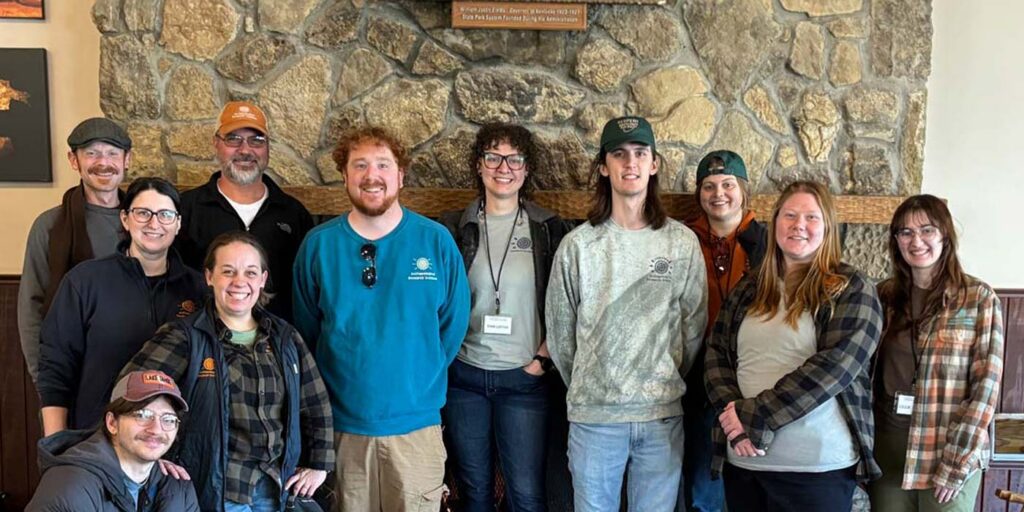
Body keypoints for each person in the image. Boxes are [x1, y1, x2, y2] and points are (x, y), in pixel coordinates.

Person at [293, 126, 471, 512]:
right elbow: (307, 331)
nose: (371, 176)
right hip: (341, 431)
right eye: (360, 165)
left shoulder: (435, 241)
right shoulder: (318, 246)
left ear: (400, 175)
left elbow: (452, 327)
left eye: (382, 165)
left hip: (417, 431)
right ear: (344, 175)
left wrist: (416, 373)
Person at [545, 116, 707, 512]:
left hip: (661, 417)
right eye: (618, 154)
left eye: (639, 153)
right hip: (594, 419)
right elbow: (562, 335)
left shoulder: (681, 243)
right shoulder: (577, 246)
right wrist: (595, 383)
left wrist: (659, 376)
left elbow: (693, 325)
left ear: (654, 164)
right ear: (604, 166)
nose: (629, 163)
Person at [121, 232, 334, 511]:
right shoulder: (185, 337)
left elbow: (315, 404)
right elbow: (129, 391)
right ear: (209, 276)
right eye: (228, 271)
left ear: (263, 279)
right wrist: (154, 451)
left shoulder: (285, 338)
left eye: (250, 272)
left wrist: (320, 465)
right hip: (217, 490)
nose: (239, 282)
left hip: (278, 488)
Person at [704, 180, 883, 512]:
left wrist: (755, 416)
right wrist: (735, 421)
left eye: (811, 217)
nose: (799, 225)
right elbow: (717, 355)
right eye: (789, 215)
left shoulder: (852, 289)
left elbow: (833, 368)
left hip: (816, 469)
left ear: (827, 227)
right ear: (774, 225)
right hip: (745, 466)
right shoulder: (750, 288)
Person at [439, 123, 572, 512]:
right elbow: (438, 302)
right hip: (464, 378)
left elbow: (566, 303)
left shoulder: (547, 228)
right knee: (474, 491)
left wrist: (542, 359)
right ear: (478, 166)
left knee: (526, 496)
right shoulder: (453, 228)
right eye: (493, 157)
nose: (504, 167)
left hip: (524, 379)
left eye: (515, 158)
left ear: (526, 169)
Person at [37, 177, 206, 435]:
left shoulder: (199, 289)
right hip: (98, 437)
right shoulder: (85, 281)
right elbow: (55, 369)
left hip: (174, 443)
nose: (154, 223)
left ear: (178, 223)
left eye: (165, 214)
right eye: (143, 213)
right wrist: (55, 445)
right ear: (125, 219)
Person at [869, 195, 1003, 512]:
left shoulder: (977, 298)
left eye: (927, 230)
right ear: (896, 241)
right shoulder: (883, 296)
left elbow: (986, 389)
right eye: (905, 232)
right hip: (887, 461)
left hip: (944, 459)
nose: (916, 241)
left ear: (945, 234)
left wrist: (955, 466)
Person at [680, 150, 766, 512]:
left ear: (742, 190)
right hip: (698, 379)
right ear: (699, 194)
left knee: (754, 485)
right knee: (703, 486)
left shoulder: (767, 244)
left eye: (728, 184)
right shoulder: (682, 241)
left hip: (753, 377)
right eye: (709, 185)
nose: (719, 193)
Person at [175, 101, 313, 322]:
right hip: (203, 344)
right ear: (216, 144)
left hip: (275, 348)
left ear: (268, 147)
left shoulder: (294, 214)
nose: (245, 149)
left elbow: (308, 292)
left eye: (256, 140)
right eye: (233, 139)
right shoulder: (186, 209)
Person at [18, 117, 132, 383]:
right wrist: (44, 378)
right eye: (91, 153)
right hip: (71, 372)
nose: (103, 163)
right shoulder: (50, 226)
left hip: (135, 371)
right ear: (74, 160)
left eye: (112, 153)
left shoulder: (145, 223)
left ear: (127, 160)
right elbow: (31, 306)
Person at [26, 369, 199, 511]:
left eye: (168, 419)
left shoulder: (178, 487)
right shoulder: (70, 487)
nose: (155, 429)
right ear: (112, 423)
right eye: (142, 415)